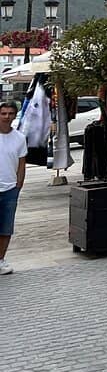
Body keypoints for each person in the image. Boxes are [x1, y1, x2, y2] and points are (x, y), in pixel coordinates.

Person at [0, 99, 27, 274]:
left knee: (6, 228)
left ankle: (1, 260)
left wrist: (18, 186)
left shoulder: (19, 138)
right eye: (3, 113)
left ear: (15, 115)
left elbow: (22, 164)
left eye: (10, 113)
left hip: (10, 189)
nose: (6, 117)